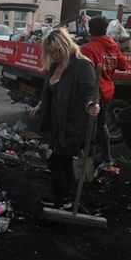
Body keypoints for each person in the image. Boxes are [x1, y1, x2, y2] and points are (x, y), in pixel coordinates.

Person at [29, 28, 100, 209]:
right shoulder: (54, 65)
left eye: (57, 51)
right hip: (57, 124)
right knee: (65, 162)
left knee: (55, 162)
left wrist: (91, 105)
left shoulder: (82, 66)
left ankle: (60, 202)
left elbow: (89, 92)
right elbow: (50, 91)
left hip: (73, 125)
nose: (54, 55)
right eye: (50, 52)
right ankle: (67, 199)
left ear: (66, 45)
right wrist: (41, 104)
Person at [80, 15, 129, 169]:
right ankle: (107, 158)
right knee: (101, 126)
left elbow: (85, 74)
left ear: (90, 30)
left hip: (94, 93)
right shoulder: (113, 45)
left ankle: (88, 158)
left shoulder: (88, 48)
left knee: (89, 127)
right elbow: (124, 66)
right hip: (107, 91)